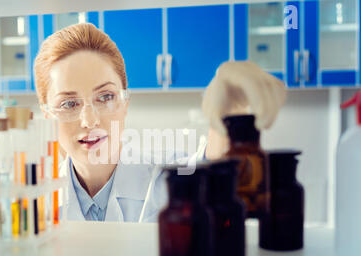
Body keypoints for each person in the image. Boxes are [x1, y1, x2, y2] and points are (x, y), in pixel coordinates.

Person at [33, 23, 286, 222]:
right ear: (48, 115)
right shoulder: (34, 199)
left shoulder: (162, 178)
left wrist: (231, 111)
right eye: (69, 104)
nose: (89, 120)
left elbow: (210, 171)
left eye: (105, 97)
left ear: (125, 104)